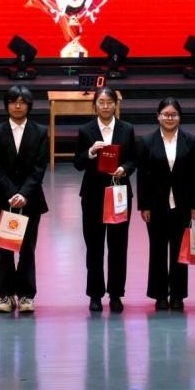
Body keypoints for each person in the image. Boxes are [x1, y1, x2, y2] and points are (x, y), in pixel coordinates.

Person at [0, 85, 49, 314]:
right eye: (13, 101)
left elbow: (39, 167)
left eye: (22, 102)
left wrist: (24, 193)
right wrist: (12, 193)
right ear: (7, 105)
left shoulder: (40, 131)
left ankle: (26, 296)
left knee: (27, 249)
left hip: (30, 200)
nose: (18, 106)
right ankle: (5, 295)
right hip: (3, 200)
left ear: (29, 105)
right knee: (5, 249)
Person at [136, 97, 195, 311]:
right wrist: (144, 206)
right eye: (165, 114)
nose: (169, 118)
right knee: (157, 250)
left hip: (183, 204)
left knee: (180, 251)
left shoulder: (191, 140)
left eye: (173, 115)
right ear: (158, 116)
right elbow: (142, 177)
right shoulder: (146, 141)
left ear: (179, 117)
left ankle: (178, 295)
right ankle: (160, 295)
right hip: (155, 205)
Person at [75, 86, 137, 313]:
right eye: (101, 102)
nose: (105, 106)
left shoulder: (127, 129)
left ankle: (116, 294)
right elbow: (78, 163)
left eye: (109, 102)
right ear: (95, 105)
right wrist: (90, 152)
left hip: (119, 194)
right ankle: (95, 294)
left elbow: (133, 159)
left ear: (115, 105)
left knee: (118, 246)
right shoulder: (85, 130)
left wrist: (124, 168)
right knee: (94, 246)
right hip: (93, 195)